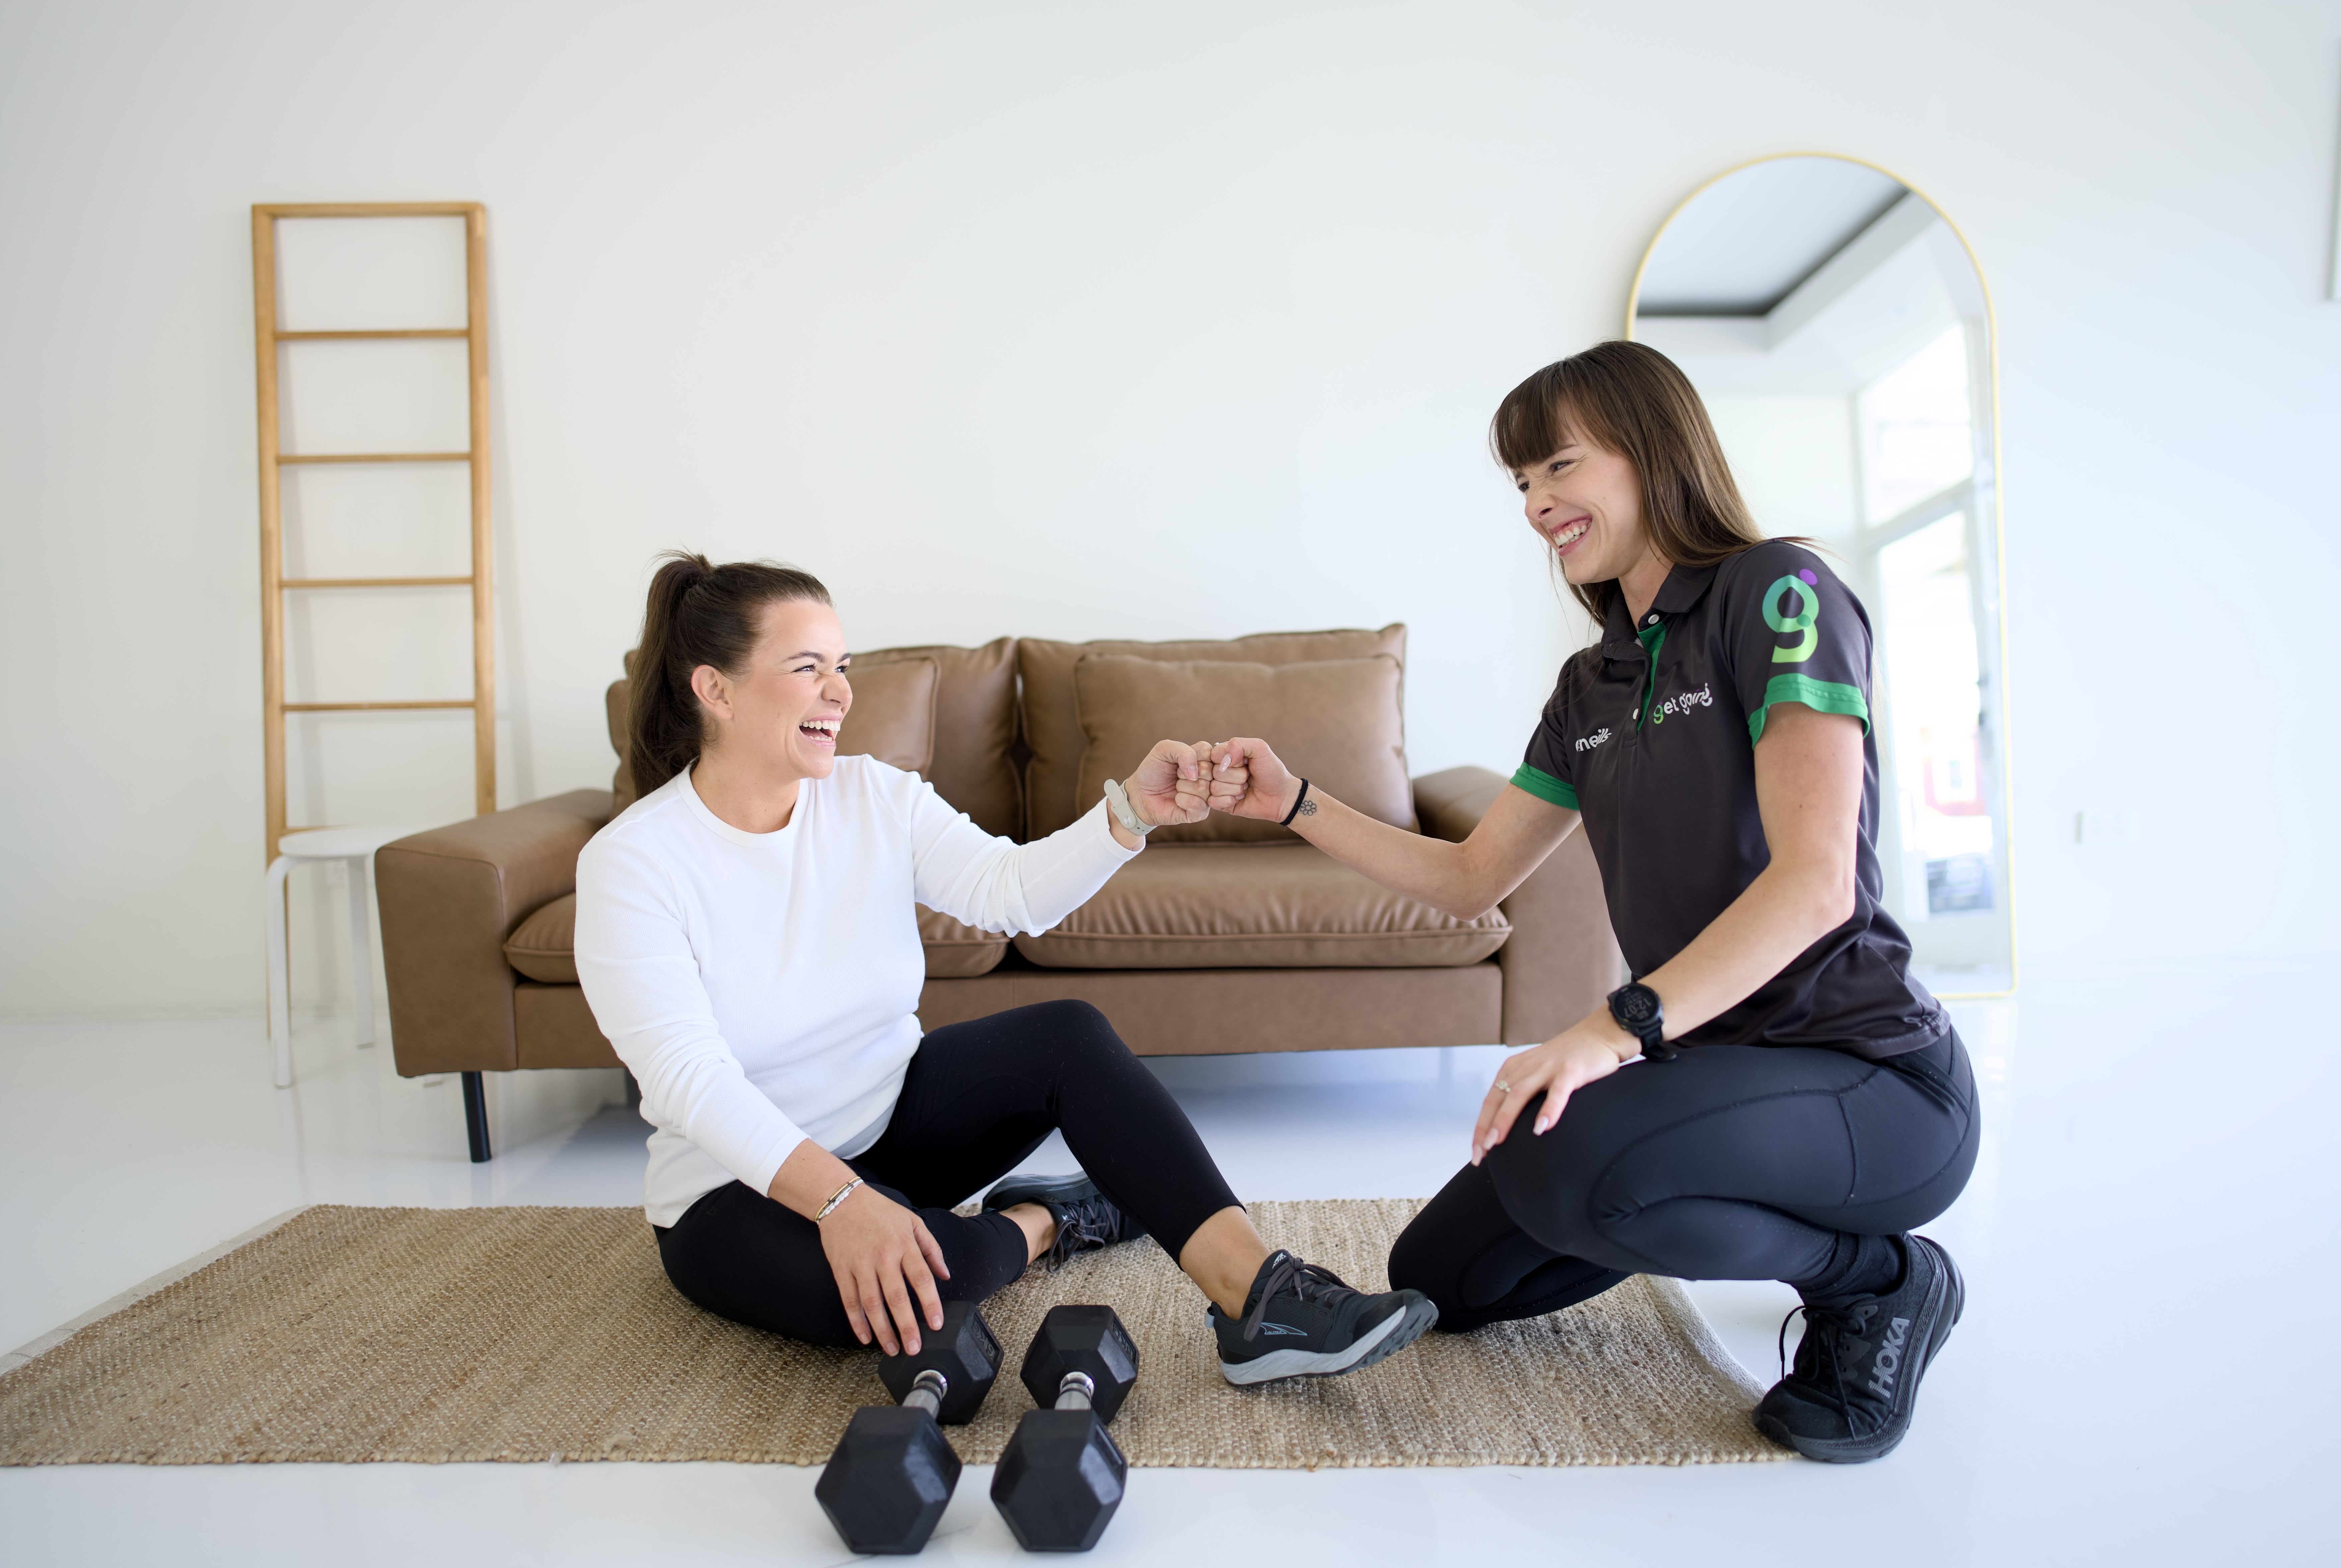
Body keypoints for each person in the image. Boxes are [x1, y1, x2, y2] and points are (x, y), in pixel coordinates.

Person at [1200, 341, 1978, 1463]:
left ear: (1653, 452)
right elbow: (1472, 878)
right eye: (1521, 482)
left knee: (1565, 1159)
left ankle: (1879, 1280)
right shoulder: (1593, 684)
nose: (1535, 505)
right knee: (1440, 1276)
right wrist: (1294, 803)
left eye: (1558, 467)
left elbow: (1815, 885)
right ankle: (1647, 1177)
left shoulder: (1778, 594)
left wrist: (1611, 1030)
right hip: (1707, 1072)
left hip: (1872, 1077)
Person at [574, 553, 1437, 1385]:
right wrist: (843, 1202)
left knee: (1068, 1034)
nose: (840, 691)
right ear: (716, 689)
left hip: (892, 1120)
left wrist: (1131, 812)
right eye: (808, 668)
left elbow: (1008, 890)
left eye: (842, 666)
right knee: (921, 1292)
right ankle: (1050, 1217)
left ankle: (1265, 1302)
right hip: (735, 1187)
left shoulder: (872, 794)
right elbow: (692, 1081)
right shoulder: (634, 863)